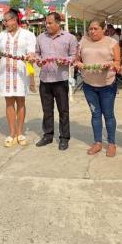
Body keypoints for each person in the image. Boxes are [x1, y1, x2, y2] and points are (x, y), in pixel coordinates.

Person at [0, 9, 37, 148]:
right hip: (5, 72)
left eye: (6, 20)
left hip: (20, 72)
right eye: (3, 21)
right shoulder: (2, 35)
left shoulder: (28, 35)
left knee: (21, 101)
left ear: (14, 20)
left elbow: (31, 51)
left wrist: (30, 56)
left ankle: (20, 132)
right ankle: (12, 132)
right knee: (9, 102)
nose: (4, 23)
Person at [76, 20, 120, 157]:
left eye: (95, 29)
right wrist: (79, 64)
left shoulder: (112, 43)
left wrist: (110, 64)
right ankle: (97, 142)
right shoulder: (83, 41)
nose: (92, 31)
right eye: (90, 29)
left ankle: (111, 144)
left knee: (108, 114)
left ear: (103, 29)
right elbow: (77, 60)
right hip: (89, 85)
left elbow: (118, 62)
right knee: (95, 114)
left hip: (107, 84)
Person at [34, 12, 78, 151]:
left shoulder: (69, 38)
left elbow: (74, 56)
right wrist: (38, 60)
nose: (47, 25)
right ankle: (48, 135)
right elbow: (37, 53)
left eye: (50, 23)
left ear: (58, 23)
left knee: (63, 111)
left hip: (61, 79)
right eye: (46, 23)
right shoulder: (40, 37)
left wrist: (65, 61)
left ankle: (64, 138)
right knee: (47, 110)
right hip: (45, 79)